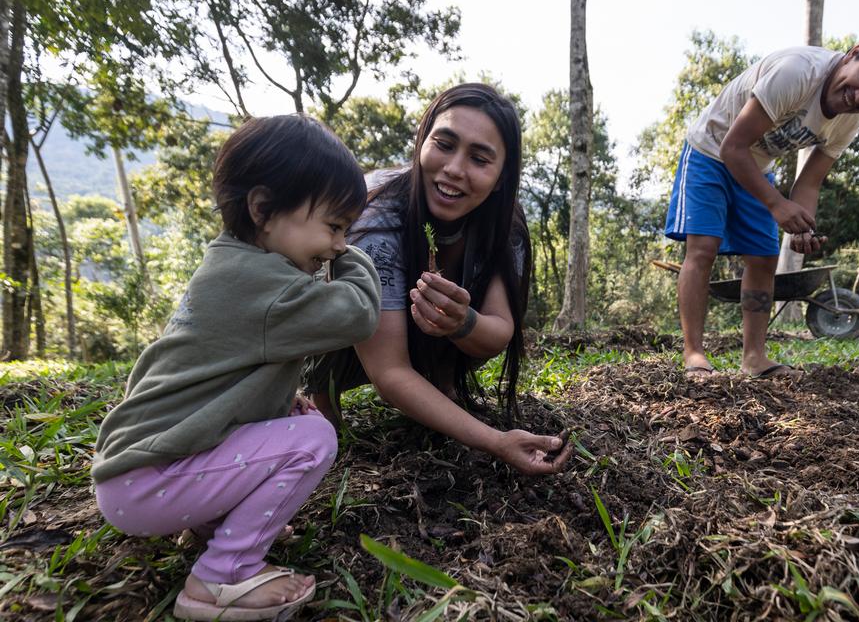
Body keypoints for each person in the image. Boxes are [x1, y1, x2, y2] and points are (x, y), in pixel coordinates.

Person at [92, 115, 382, 621]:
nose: (337, 243)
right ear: (264, 209)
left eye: (345, 232)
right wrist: (356, 255)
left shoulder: (231, 265)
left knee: (300, 423)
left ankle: (217, 522)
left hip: (139, 474)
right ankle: (221, 577)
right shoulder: (270, 287)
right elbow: (358, 314)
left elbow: (210, 381)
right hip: (146, 483)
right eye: (334, 226)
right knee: (315, 440)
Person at [303, 83, 572, 474]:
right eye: (444, 144)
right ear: (422, 141)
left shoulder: (504, 225)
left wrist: (463, 322)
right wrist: (495, 441)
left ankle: (439, 387)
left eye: (480, 159)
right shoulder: (375, 220)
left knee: (463, 332)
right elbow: (389, 373)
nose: (454, 169)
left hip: (423, 335)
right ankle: (323, 398)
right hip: (339, 337)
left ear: (500, 177)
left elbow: (500, 330)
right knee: (344, 311)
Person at [665, 23, 859, 378]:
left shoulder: (851, 121)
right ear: (855, 52)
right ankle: (694, 354)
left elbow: (809, 182)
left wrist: (803, 226)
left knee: (763, 257)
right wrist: (778, 205)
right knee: (704, 248)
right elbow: (733, 147)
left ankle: (754, 359)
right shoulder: (797, 72)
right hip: (710, 150)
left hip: (756, 166)